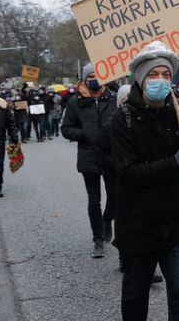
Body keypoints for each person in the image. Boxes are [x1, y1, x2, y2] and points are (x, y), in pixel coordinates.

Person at [110, 41, 179, 321]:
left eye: (165, 74)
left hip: (176, 223)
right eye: (153, 74)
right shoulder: (122, 118)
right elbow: (129, 173)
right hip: (138, 226)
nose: (160, 80)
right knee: (136, 298)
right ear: (140, 78)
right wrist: (175, 161)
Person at [61, 63, 117, 258]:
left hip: (112, 157)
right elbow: (65, 128)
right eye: (91, 76)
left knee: (116, 196)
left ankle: (107, 220)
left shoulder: (113, 98)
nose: (94, 79)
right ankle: (98, 240)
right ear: (85, 79)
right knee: (94, 200)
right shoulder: (75, 102)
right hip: (88, 156)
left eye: (98, 75)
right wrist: (83, 133)